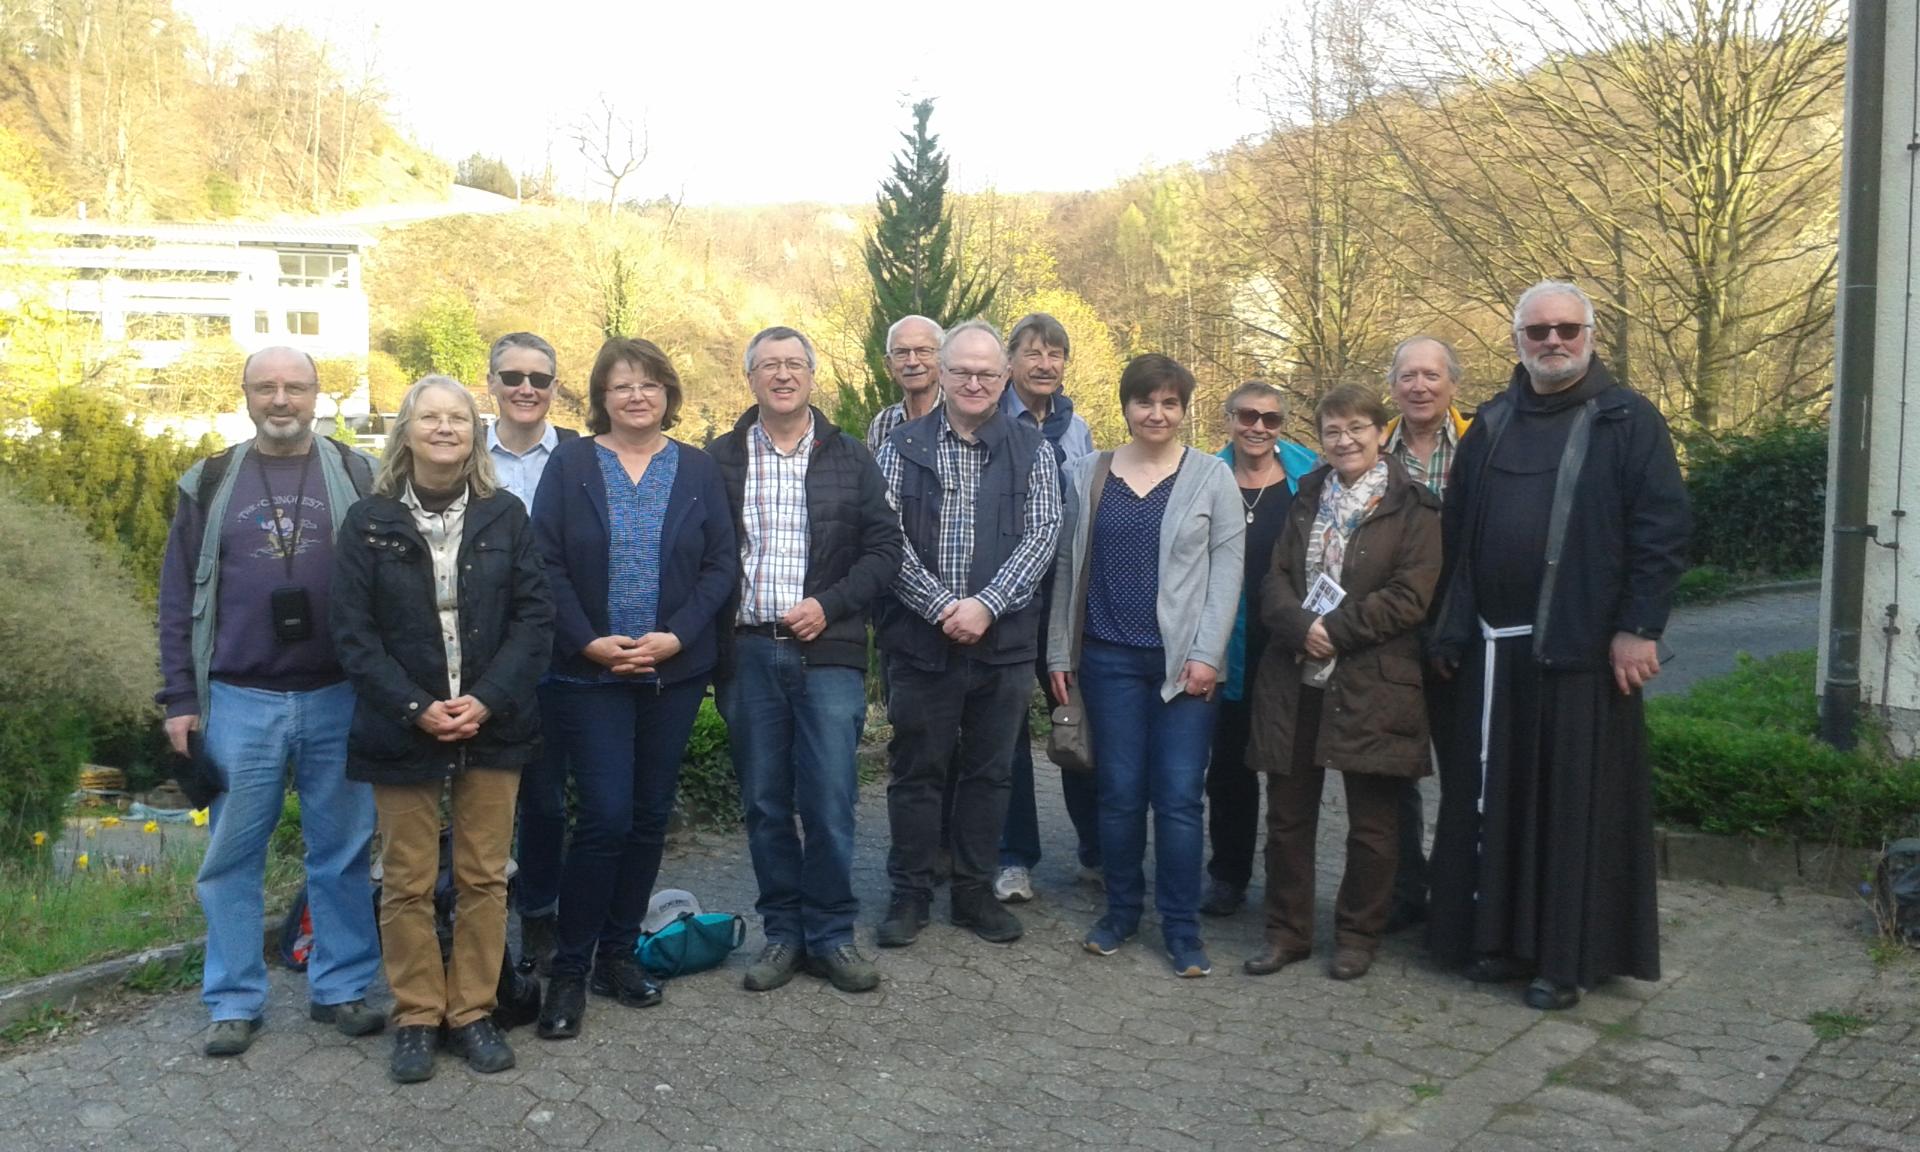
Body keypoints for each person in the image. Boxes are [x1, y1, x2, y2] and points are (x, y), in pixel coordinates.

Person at [1426, 280, 1689, 1010]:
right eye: (1537, 331)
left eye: (1566, 329)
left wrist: (1640, 627)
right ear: (1517, 340)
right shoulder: (1494, 421)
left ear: (1590, 334)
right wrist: (1450, 627)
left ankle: (1563, 960)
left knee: (1565, 811)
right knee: (1495, 803)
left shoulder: (1627, 421)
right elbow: (1460, 537)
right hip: (1491, 650)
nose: (1552, 342)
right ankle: (1499, 941)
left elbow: (1661, 532)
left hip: (1579, 651)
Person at [156, 346, 384, 1057]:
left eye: (294, 387)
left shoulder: (357, 473)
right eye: (266, 387)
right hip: (239, 697)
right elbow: (174, 601)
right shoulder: (210, 480)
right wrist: (178, 700)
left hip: (339, 694)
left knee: (343, 853)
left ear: (319, 394)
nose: (280, 399)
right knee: (230, 858)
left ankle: (342, 988)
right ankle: (233, 1000)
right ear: (246, 395)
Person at [331, 376, 554, 1083]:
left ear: (474, 432)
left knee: (486, 876)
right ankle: (418, 1015)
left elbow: (534, 619)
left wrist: (485, 699)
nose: (446, 428)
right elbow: (353, 634)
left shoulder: (506, 516)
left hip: (492, 721)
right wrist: (415, 707)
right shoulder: (368, 521)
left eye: (458, 417)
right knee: (406, 881)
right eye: (430, 416)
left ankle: (474, 1012)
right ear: (407, 431)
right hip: (403, 727)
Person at [529, 337, 736, 1039]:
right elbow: (545, 563)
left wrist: (677, 634)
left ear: (668, 393)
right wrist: (587, 640)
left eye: (649, 384)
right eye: (621, 387)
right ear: (602, 397)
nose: (636, 396)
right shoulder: (572, 463)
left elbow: (719, 565)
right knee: (606, 817)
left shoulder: (699, 469)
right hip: (589, 674)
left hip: (672, 672)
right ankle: (569, 969)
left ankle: (619, 954)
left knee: (649, 815)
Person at [710, 326, 902, 994]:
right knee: (764, 803)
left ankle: (830, 935)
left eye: (795, 364)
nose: (783, 375)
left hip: (830, 654)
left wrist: (829, 603)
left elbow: (884, 553)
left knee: (828, 800)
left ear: (813, 376)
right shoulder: (720, 459)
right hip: (748, 652)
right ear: (751, 378)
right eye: (769, 365)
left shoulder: (852, 457)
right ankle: (782, 935)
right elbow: (704, 559)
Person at [1047, 354, 1244, 977]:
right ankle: (1121, 913)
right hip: (1106, 661)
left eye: (1169, 403)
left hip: (1184, 669)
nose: (1156, 414)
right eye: (1144, 401)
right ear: (1126, 406)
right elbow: (1065, 571)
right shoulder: (1085, 473)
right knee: (1120, 795)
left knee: (1181, 799)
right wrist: (1059, 653)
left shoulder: (1212, 477)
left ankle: (1182, 930)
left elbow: (1226, 573)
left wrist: (1208, 654)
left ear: (1184, 410)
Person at [1244, 385, 1442, 982]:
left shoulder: (1416, 508)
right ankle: (1287, 933)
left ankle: (1358, 935)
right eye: (1332, 430)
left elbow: (1411, 595)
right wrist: (1303, 627)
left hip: (1375, 680)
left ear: (1382, 433)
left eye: (1357, 427)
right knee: (1287, 817)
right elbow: (1274, 578)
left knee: (1375, 825)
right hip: (1297, 674)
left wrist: (1336, 630)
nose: (1345, 440)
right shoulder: (1306, 495)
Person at [873, 320, 1060, 949]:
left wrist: (985, 605)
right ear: (943, 375)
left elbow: (1042, 537)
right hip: (921, 642)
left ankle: (975, 894)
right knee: (916, 771)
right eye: (962, 371)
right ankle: (909, 894)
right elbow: (885, 539)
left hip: (1002, 645)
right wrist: (940, 607)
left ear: (1003, 377)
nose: (974, 382)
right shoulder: (900, 446)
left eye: (986, 372)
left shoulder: (1034, 450)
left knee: (989, 774)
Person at [1200, 382, 1318, 918]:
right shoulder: (1204, 474)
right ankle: (1228, 874)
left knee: (1291, 770)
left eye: (1271, 419)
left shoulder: (1309, 475)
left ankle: (1288, 882)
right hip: (1227, 642)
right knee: (1228, 766)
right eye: (1248, 416)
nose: (1258, 428)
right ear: (1228, 419)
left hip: (1290, 643)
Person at [994, 312, 1100, 905]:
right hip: (1011, 600)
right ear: (1011, 362)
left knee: (1075, 718)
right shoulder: (991, 419)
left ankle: (1096, 852)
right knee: (1008, 731)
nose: (1044, 363)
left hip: (1065, 600)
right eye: (1032, 352)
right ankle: (1014, 859)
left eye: (1055, 353)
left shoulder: (1077, 429)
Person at [482, 330, 579, 975]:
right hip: (480, 652)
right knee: (478, 799)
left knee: (544, 800)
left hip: (557, 651)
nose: (526, 389)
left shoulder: (579, 455)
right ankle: (478, 929)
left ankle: (540, 918)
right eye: (512, 376)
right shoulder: (463, 451)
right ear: (490, 382)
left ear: (553, 387)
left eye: (539, 380)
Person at [1380, 335, 1473, 934]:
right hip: (1390, 626)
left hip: (1462, 622)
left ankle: (1458, 892)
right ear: (1393, 387)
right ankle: (1402, 891)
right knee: (1392, 766)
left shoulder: (1480, 444)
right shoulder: (1374, 446)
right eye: (1408, 376)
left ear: (1451, 385)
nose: (1419, 386)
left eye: (1431, 376)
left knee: (1464, 765)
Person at [866, 315, 945, 451]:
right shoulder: (883, 423)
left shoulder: (960, 418)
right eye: (901, 353)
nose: (912, 362)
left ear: (943, 358)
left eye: (923, 351)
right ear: (889, 364)